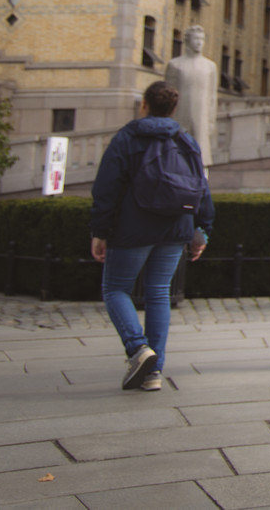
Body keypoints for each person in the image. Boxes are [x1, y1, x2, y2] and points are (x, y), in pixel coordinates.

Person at [90, 80, 213, 392]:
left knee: (115, 288)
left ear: (144, 105)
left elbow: (106, 188)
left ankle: (137, 348)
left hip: (133, 228)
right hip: (175, 226)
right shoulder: (186, 141)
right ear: (172, 108)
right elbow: (202, 188)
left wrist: (100, 231)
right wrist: (202, 230)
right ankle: (153, 372)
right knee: (159, 292)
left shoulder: (128, 137)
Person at [165, 25, 218, 165]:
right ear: (188, 41)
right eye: (196, 38)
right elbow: (168, 96)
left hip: (201, 116)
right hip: (180, 115)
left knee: (200, 155)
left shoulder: (210, 66)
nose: (199, 42)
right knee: (178, 154)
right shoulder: (175, 65)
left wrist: (211, 121)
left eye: (202, 39)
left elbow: (212, 97)